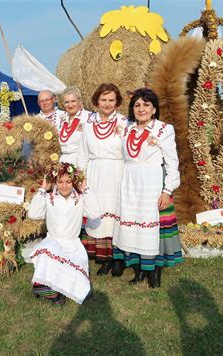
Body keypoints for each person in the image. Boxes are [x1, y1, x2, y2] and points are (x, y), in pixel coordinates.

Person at [113, 88, 182, 288]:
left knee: (152, 230)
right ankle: (141, 269)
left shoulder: (163, 129)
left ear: (154, 109)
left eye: (146, 104)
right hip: (129, 182)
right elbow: (102, 115)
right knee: (134, 227)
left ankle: (154, 271)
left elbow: (172, 162)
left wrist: (167, 190)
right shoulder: (126, 128)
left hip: (151, 182)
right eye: (137, 105)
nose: (141, 109)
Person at [28, 162, 100, 305]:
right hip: (53, 242)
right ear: (54, 181)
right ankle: (45, 288)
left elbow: (95, 213)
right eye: (60, 182)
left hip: (73, 244)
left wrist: (85, 189)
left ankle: (58, 286)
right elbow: (33, 214)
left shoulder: (79, 199)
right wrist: (43, 189)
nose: (64, 186)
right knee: (46, 253)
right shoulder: (49, 198)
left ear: (74, 181)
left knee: (83, 289)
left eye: (68, 182)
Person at [76, 83, 127, 275]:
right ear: (97, 101)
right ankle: (103, 257)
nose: (107, 104)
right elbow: (82, 153)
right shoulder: (88, 124)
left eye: (111, 100)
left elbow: (130, 151)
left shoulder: (124, 122)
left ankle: (118, 259)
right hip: (95, 172)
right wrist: (80, 176)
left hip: (117, 172)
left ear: (117, 102)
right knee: (98, 213)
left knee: (116, 213)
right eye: (103, 100)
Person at [58, 87, 92, 165]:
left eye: (73, 101)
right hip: (63, 162)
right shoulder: (61, 119)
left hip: (81, 162)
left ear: (79, 101)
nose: (70, 105)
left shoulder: (88, 117)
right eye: (66, 102)